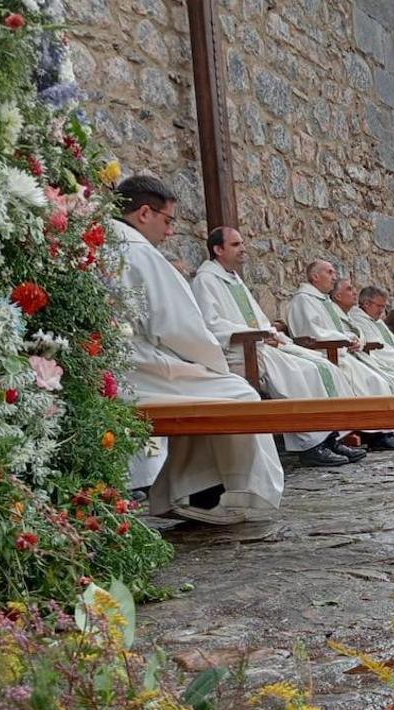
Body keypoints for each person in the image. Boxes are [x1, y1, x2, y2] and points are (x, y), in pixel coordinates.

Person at [109, 174, 283, 524]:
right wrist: (213, 364)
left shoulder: (96, 239)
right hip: (136, 369)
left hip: (115, 364)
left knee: (204, 389)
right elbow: (180, 328)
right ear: (145, 213)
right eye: (168, 221)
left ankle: (190, 488)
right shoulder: (141, 253)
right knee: (236, 394)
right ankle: (209, 493)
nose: (170, 232)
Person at [191, 226, 363, 468]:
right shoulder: (205, 280)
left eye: (242, 243)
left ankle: (330, 436)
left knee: (322, 365)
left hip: (261, 343)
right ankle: (310, 445)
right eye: (236, 245)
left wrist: (271, 333)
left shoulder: (234, 279)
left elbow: (258, 317)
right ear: (218, 249)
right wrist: (258, 335)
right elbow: (211, 324)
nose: (243, 249)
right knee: (300, 373)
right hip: (241, 350)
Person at [288, 260, 394, 451]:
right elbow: (312, 333)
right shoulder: (303, 300)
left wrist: (352, 338)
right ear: (315, 276)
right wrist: (344, 338)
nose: (334, 276)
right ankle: (374, 435)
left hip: (343, 353)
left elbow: (345, 328)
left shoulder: (323, 301)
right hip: (326, 354)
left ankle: (383, 431)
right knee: (373, 381)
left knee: (381, 380)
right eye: (329, 272)